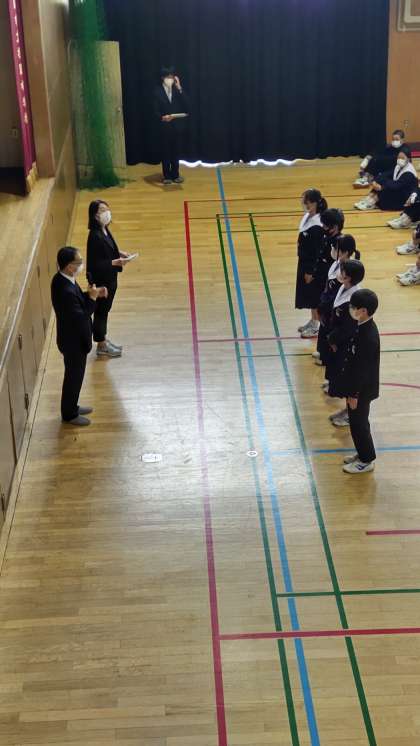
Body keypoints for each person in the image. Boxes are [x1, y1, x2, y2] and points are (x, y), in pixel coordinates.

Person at [51, 246, 108, 426]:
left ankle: (72, 406)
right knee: (73, 378)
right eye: (79, 262)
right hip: (73, 342)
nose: (82, 265)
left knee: (75, 377)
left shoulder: (63, 279)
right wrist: (92, 299)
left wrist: (91, 294)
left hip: (72, 339)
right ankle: (69, 414)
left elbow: (76, 301)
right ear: (69, 266)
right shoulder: (65, 289)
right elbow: (81, 316)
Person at [333, 289, 380, 474]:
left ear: (364, 311)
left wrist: (354, 394)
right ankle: (362, 453)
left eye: (354, 307)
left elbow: (363, 370)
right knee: (355, 423)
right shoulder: (361, 326)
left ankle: (367, 460)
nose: (351, 309)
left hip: (362, 390)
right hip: (356, 386)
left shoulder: (368, 337)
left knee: (359, 424)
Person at [86, 200, 133, 359]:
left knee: (105, 311)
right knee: (101, 312)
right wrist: (115, 262)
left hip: (110, 278)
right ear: (95, 215)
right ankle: (101, 345)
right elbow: (95, 264)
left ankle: (103, 340)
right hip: (102, 281)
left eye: (107, 209)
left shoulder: (104, 229)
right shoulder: (94, 236)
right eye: (102, 210)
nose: (107, 212)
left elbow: (108, 250)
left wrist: (120, 253)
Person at [325, 259, 365, 427]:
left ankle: (350, 414)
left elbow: (347, 328)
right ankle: (346, 409)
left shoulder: (353, 300)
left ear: (349, 277)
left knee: (347, 378)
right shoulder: (344, 287)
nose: (339, 273)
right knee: (339, 374)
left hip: (345, 344)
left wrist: (333, 339)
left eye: (342, 271)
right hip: (338, 340)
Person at [315, 234, 360, 368]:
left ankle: (326, 358)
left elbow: (336, 295)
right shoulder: (336, 264)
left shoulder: (347, 272)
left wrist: (324, 305)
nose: (333, 250)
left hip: (331, 308)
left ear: (345, 252)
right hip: (326, 305)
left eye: (336, 248)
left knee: (330, 332)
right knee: (323, 330)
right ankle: (322, 352)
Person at [295, 189, 328, 338]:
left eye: (307, 202)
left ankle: (316, 325)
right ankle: (313, 320)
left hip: (311, 266)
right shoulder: (308, 216)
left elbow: (316, 252)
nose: (305, 204)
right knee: (308, 294)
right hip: (304, 261)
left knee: (314, 295)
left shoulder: (317, 225)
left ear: (315, 203)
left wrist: (311, 271)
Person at [154, 66, 189, 185]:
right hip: (164, 126)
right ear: (163, 78)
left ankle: (176, 174)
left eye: (172, 77)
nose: (170, 79)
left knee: (176, 151)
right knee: (166, 151)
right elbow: (154, 109)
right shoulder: (157, 91)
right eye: (168, 77)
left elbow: (187, 104)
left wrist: (179, 87)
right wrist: (161, 117)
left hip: (177, 126)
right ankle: (167, 176)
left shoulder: (177, 90)